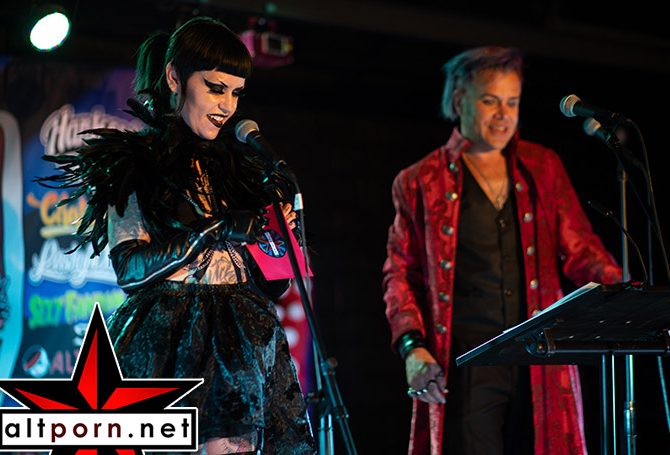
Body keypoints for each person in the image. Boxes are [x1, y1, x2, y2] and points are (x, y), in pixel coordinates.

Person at [41, 16, 315, 454]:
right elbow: (130, 268)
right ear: (174, 77)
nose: (227, 106)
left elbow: (274, 286)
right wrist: (213, 229)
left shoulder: (241, 172)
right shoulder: (135, 164)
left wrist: (278, 240)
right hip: (168, 338)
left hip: (242, 339)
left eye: (236, 93)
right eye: (215, 88)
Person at [382, 46, 621, 455]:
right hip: (469, 361)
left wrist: (626, 294)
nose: (503, 115)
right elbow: (400, 273)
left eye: (512, 102)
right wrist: (412, 347)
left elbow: (582, 250)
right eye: (490, 101)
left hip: (541, 356)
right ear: (460, 100)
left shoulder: (542, 166)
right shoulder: (420, 180)